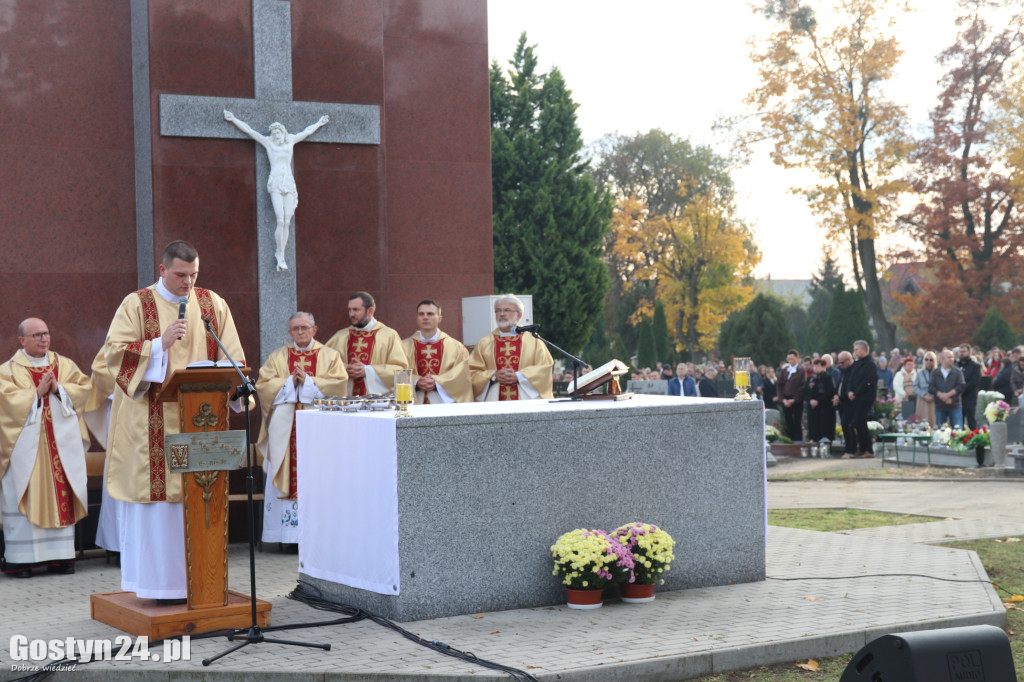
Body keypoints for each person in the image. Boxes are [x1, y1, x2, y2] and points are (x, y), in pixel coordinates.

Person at [105, 240, 246, 604]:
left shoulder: (213, 304)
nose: (188, 282)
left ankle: (203, 582)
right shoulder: (137, 303)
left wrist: (236, 389)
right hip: (150, 424)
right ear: (162, 271)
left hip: (200, 422)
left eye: (194, 274)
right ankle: (157, 587)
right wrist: (157, 345)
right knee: (159, 509)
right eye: (181, 275)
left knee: (199, 499)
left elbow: (232, 353)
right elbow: (112, 356)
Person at [0, 319, 91, 578]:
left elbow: (85, 389)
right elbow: (4, 403)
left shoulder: (64, 365)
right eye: (37, 335)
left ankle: (61, 559)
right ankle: (22, 561)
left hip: (60, 449)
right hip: (25, 453)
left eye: (46, 333)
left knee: (61, 493)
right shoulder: (8, 370)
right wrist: (34, 394)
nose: (44, 339)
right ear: (22, 341)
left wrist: (60, 389)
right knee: (23, 490)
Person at [256, 312, 347, 546]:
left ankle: (317, 537)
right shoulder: (278, 356)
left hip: (317, 431)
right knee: (284, 469)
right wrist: (289, 383)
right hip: (285, 432)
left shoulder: (330, 356)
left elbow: (339, 384)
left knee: (319, 473)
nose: (300, 332)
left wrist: (308, 382)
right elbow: (263, 385)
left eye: (304, 328)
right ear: (289, 332)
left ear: (314, 330)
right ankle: (286, 537)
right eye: (295, 329)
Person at [223, 110, 329, 271]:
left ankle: (281, 253)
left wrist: (319, 123)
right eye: (274, 132)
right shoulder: (268, 142)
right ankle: (279, 254)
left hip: (288, 182)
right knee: (280, 219)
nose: (276, 135)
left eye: (278, 132)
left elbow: (306, 132)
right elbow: (250, 131)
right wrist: (234, 119)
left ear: (283, 132)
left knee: (287, 220)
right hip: (275, 181)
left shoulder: (291, 140)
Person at [468, 294, 553, 401]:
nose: (502, 314)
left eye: (507, 310)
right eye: (498, 311)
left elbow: (545, 369)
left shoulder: (533, 340)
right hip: (494, 399)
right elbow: (471, 372)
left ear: (519, 315)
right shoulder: (485, 343)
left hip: (525, 399)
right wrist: (493, 376)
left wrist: (519, 376)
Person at [326, 292, 409, 396]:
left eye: (356, 310)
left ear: (370, 311)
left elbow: (401, 371)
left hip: (378, 405)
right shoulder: (340, 337)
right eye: (349, 310)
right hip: (347, 404)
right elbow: (325, 365)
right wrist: (345, 369)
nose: (351, 314)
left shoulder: (389, 335)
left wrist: (367, 371)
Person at [401, 300, 472, 404]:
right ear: (417, 318)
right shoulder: (403, 347)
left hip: (444, 407)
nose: (425, 317)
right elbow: (395, 372)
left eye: (430, 314)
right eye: (421, 314)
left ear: (439, 318)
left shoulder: (456, 347)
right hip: (413, 405)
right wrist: (416, 381)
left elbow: (462, 377)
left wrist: (437, 383)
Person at [845, 340, 878, 458]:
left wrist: (856, 392)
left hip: (865, 397)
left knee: (859, 421)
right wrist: (849, 391)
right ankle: (863, 449)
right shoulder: (857, 364)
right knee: (858, 423)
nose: (854, 352)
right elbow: (850, 379)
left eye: (856, 349)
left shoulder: (870, 364)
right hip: (855, 397)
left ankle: (868, 449)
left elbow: (867, 382)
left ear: (864, 350)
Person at [929, 349, 965, 430]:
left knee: (957, 431)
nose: (951, 359)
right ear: (942, 359)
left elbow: (961, 386)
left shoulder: (957, 372)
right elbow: (931, 387)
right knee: (940, 432)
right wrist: (941, 395)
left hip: (955, 406)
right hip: (940, 407)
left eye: (952, 357)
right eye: (949, 357)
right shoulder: (935, 373)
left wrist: (949, 395)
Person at [805, 358, 836, 443]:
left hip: (824, 408)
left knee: (824, 428)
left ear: (824, 367)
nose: (815, 368)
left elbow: (830, 391)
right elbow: (806, 392)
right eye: (814, 365)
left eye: (818, 366)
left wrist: (818, 401)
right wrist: (810, 400)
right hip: (812, 408)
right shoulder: (810, 379)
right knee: (813, 428)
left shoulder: (828, 377)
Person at [833, 351, 857, 458]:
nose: (840, 365)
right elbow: (839, 384)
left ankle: (850, 450)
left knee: (846, 424)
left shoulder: (854, 370)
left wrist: (840, 397)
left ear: (848, 360)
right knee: (845, 425)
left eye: (842, 362)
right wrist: (835, 395)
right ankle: (850, 449)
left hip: (850, 402)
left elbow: (849, 387)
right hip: (841, 402)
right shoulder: (843, 370)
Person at [779, 350, 805, 442]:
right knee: (788, 421)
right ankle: (789, 440)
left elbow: (802, 387)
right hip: (786, 399)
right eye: (788, 359)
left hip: (797, 400)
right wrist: (783, 399)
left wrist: (794, 399)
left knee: (797, 421)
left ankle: (798, 441)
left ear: (797, 359)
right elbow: (780, 385)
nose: (790, 361)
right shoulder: (784, 370)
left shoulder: (801, 371)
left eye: (792, 359)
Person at [956, 343, 982, 430]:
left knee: (971, 421)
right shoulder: (956, 366)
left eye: (964, 351)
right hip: (957, 399)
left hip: (969, 398)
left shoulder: (975, 366)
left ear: (969, 352)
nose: (962, 354)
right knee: (959, 422)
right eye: (960, 352)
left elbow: (974, 382)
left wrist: (961, 390)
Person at [914, 351, 937, 427]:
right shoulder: (919, 373)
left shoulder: (938, 373)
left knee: (934, 421)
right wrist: (923, 395)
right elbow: (915, 386)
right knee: (923, 423)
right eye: (926, 359)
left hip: (935, 400)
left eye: (931, 360)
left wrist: (934, 396)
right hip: (923, 400)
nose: (928, 362)